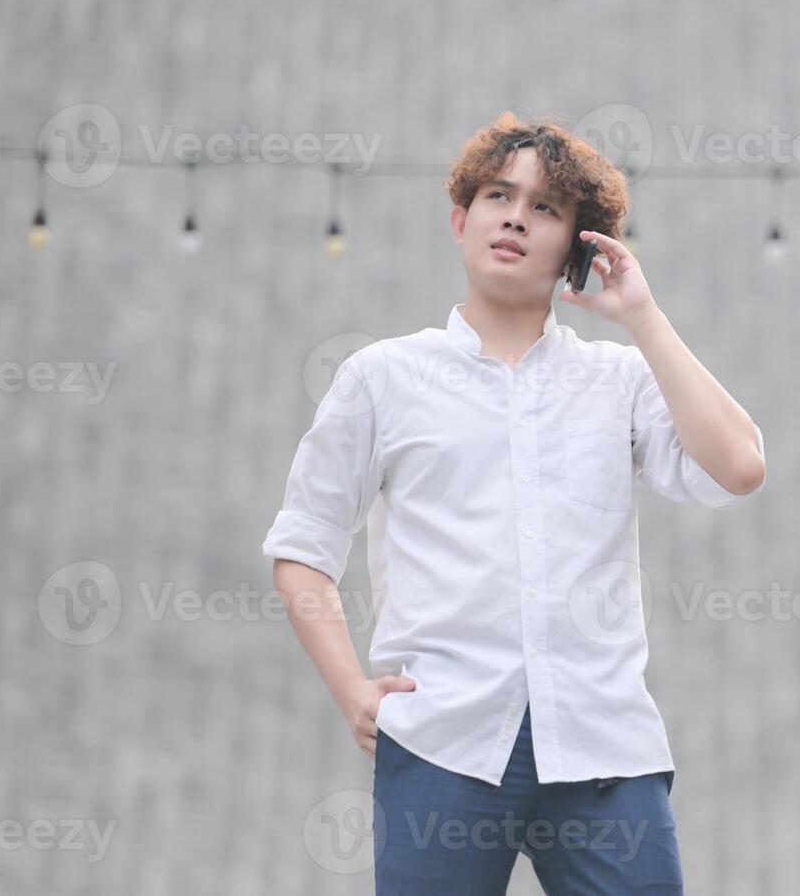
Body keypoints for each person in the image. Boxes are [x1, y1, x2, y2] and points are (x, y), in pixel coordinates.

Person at [262, 111, 767, 894]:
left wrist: (642, 314)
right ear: (461, 220)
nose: (515, 218)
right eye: (499, 196)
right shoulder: (381, 379)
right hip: (442, 746)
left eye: (545, 208)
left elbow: (739, 466)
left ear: (576, 248)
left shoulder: (618, 381)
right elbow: (303, 548)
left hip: (604, 750)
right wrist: (353, 691)